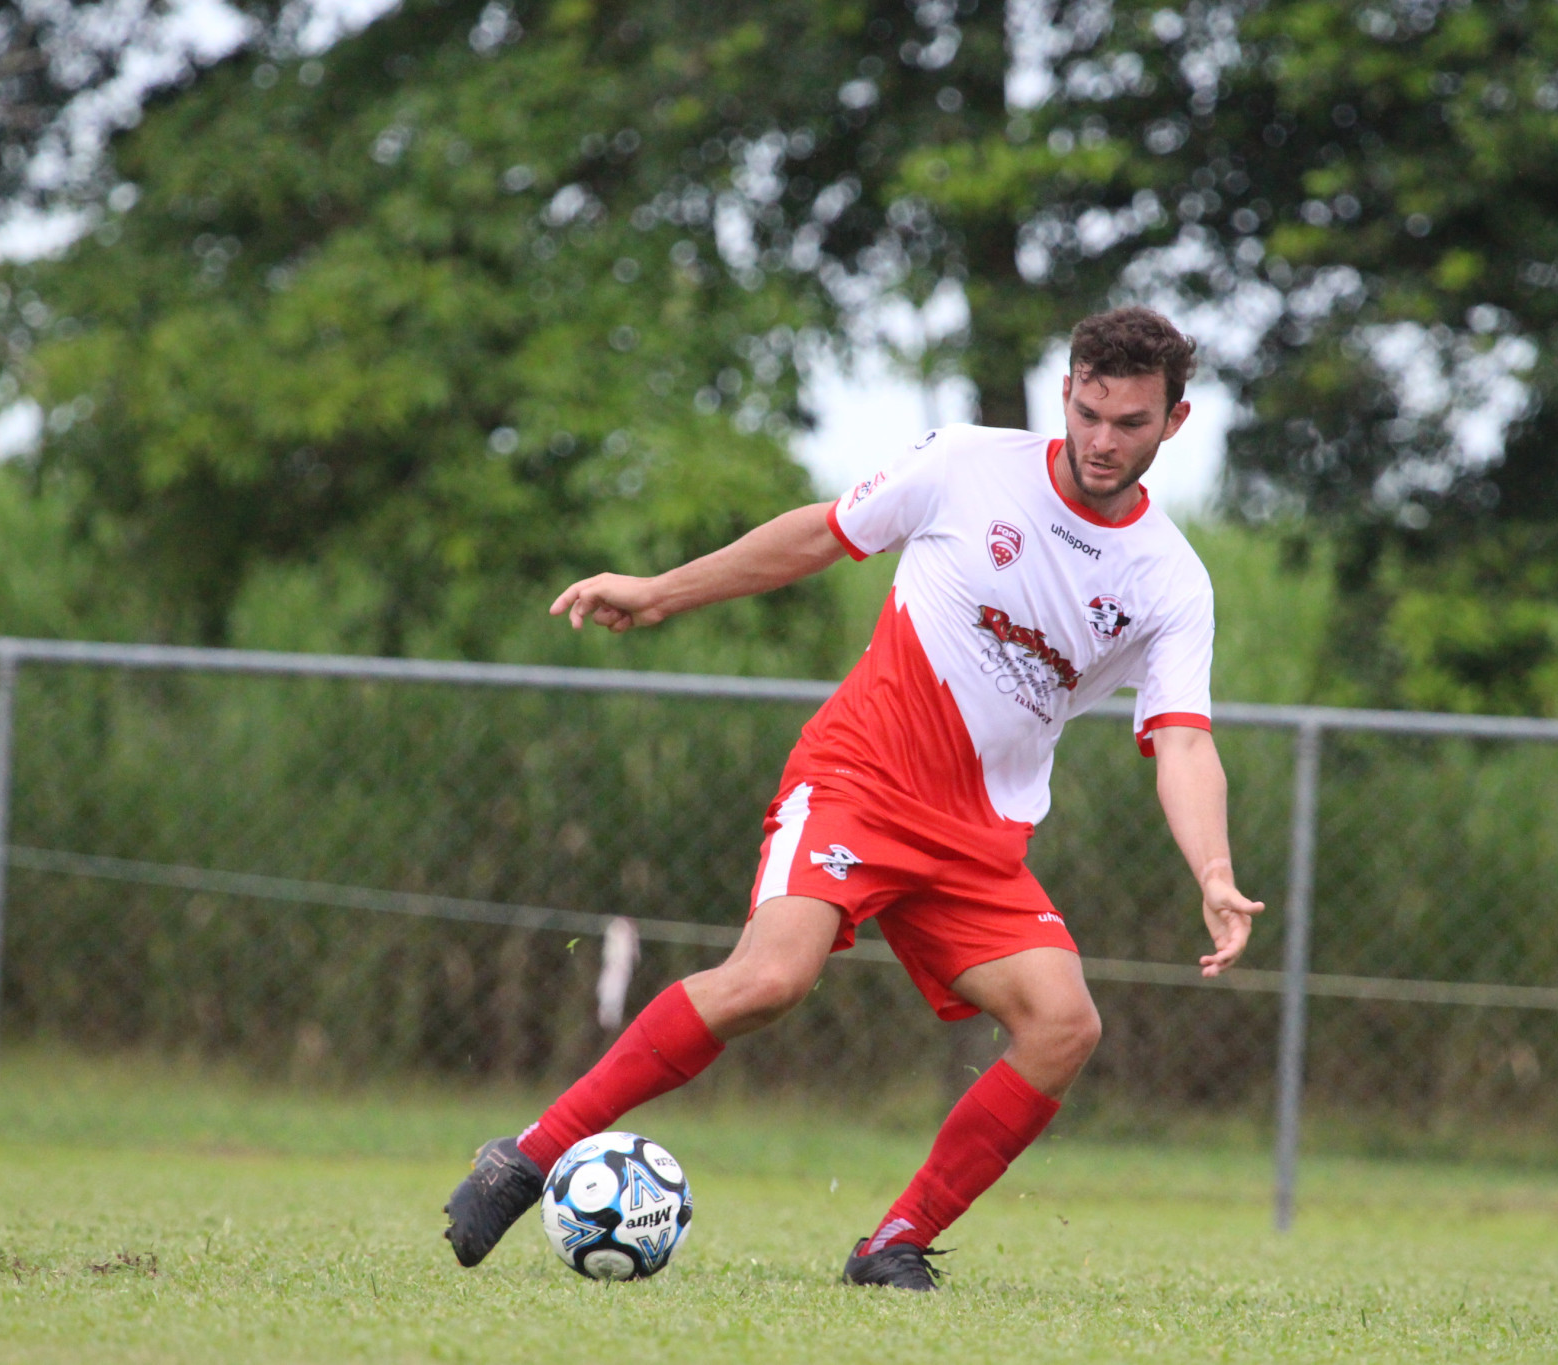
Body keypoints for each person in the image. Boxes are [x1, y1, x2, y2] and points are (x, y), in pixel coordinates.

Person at [443, 305, 1263, 1290]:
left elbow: (1179, 737)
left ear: (1172, 422)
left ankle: (892, 1246)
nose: (1100, 439)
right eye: (1087, 411)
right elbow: (819, 535)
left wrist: (1212, 872)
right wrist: (659, 591)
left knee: (1062, 1025)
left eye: (1128, 422)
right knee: (770, 979)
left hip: (974, 839)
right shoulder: (967, 465)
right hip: (857, 784)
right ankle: (528, 1155)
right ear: (1065, 393)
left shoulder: (1170, 580)